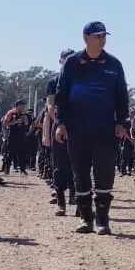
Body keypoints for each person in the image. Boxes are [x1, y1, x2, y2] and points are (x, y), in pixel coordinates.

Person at [52, 20, 130, 235]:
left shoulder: (113, 65)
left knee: (104, 174)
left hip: (105, 130)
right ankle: (86, 219)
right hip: (77, 130)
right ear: (85, 37)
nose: (102, 39)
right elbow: (61, 97)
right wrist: (61, 123)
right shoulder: (72, 63)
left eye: (104, 36)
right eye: (98, 36)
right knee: (80, 174)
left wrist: (121, 123)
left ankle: (103, 220)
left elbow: (122, 97)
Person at [44, 49, 77, 215]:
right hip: (59, 125)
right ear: (60, 61)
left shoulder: (79, 79)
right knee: (59, 165)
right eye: (66, 58)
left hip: (77, 127)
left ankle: (75, 196)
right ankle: (60, 201)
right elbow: (50, 105)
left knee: (77, 164)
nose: (69, 61)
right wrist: (59, 122)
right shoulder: (54, 81)